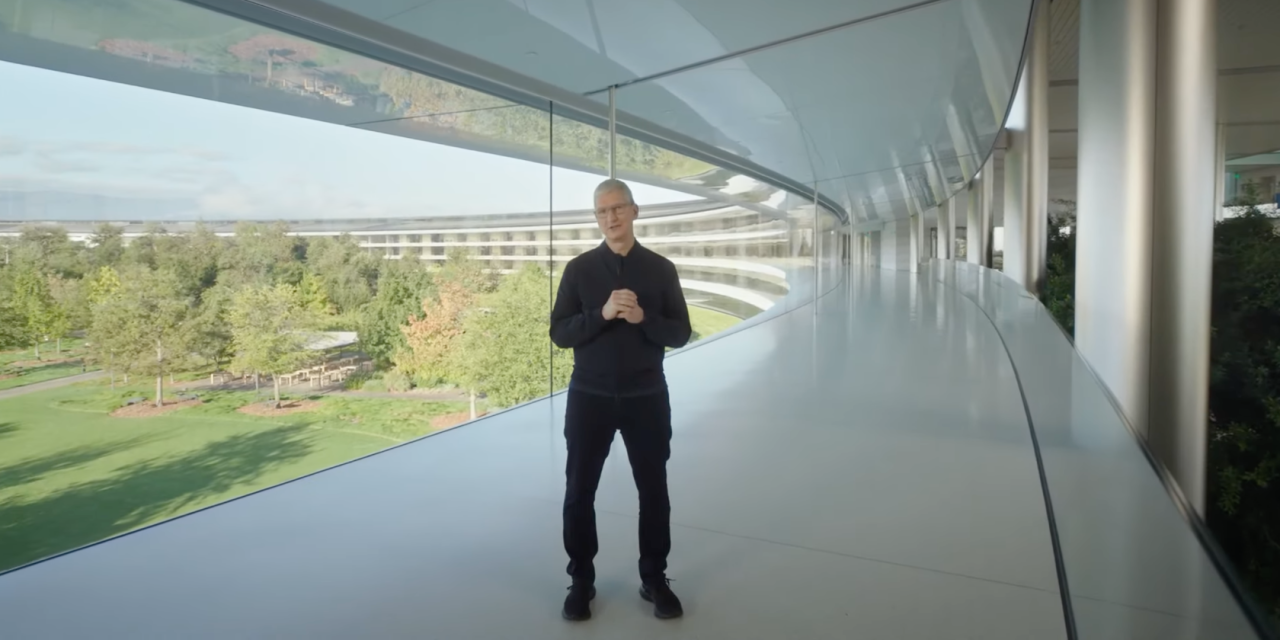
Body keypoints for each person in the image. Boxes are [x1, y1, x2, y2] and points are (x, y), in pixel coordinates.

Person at [550, 178, 692, 621]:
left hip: (646, 396)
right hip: (589, 396)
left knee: (654, 492)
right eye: (601, 211)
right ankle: (582, 581)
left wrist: (642, 318)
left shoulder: (661, 269)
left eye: (617, 208)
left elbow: (680, 333)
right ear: (597, 218)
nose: (610, 217)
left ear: (635, 211)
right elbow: (560, 332)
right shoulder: (578, 270)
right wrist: (603, 314)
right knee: (578, 492)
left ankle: (654, 578)